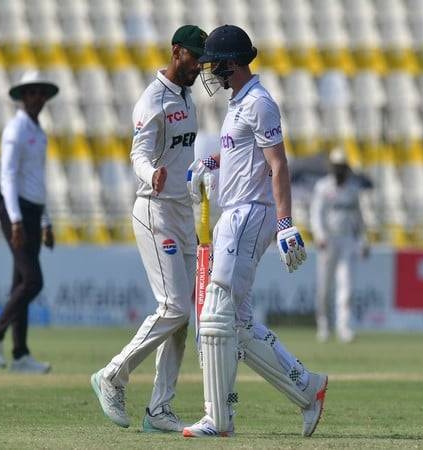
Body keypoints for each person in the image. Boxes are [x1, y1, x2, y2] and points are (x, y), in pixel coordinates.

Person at [183, 24, 328, 438]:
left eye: (215, 66)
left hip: (250, 214)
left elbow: (278, 165)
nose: (210, 73)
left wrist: (286, 223)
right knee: (239, 323)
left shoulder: (261, 103)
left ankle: (218, 419)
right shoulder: (239, 102)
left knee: (214, 314)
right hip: (235, 213)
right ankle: (307, 388)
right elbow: (238, 155)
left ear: (233, 65)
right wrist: (210, 164)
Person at [90, 25, 207, 433]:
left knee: (182, 315)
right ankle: (113, 375)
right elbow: (137, 152)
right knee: (174, 307)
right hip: (154, 209)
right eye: (195, 57)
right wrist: (150, 173)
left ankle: (159, 409)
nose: (199, 66)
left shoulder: (189, 98)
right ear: (177, 53)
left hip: (181, 212)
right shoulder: (152, 99)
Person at [0, 70, 58, 374]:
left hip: (33, 212)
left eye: (41, 93)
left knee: (21, 283)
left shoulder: (39, 132)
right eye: (32, 92)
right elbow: (7, 177)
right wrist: (15, 220)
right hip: (16, 211)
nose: (38, 98)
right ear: (23, 97)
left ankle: (21, 354)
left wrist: (46, 221)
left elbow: (38, 180)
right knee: (33, 281)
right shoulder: (15, 130)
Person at [311, 147, 369, 343]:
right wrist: (319, 235)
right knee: (324, 287)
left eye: (342, 166)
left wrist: (362, 241)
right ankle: (324, 325)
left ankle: (344, 327)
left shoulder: (353, 190)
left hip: (346, 241)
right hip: (328, 241)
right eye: (337, 166)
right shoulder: (323, 187)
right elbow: (316, 214)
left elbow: (358, 219)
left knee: (347, 285)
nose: (340, 170)